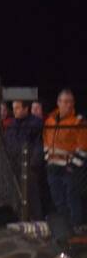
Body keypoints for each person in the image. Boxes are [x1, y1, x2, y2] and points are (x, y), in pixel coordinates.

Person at [43, 89, 87, 228]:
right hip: (53, 167)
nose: (68, 105)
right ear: (58, 102)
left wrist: (72, 166)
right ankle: (66, 229)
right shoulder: (49, 120)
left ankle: (76, 229)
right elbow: (45, 141)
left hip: (68, 169)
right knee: (58, 200)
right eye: (65, 101)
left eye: (71, 102)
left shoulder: (78, 121)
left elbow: (83, 147)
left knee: (72, 200)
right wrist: (47, 158)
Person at [4, 99, 44, 219]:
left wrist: (33, 163)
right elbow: (8, 143)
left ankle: (37, 220)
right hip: (15, 165)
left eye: (17, 108)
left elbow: (39, 144)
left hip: (30, 167)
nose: (14, 111)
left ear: (26, 109)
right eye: (13, 107)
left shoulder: (35, 124)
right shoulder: (12, 125)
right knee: (17, 196)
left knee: (32, 196)